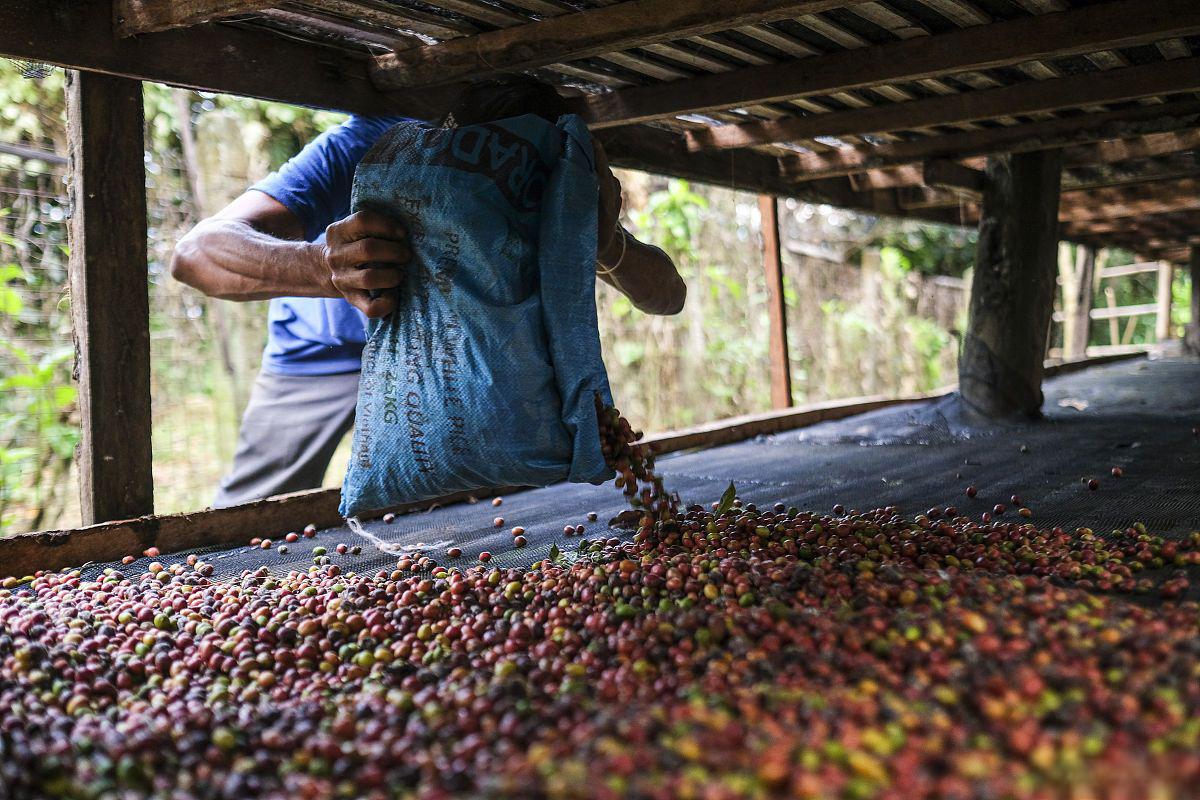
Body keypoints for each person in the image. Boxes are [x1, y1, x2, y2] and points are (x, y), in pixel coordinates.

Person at [171, 76, 687, 508]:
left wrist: (603, 243)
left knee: (493, 502)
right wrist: (325, 266)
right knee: (249, 515)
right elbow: (196, 255)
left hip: (472, 366)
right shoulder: (367, 146)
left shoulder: (548, 171)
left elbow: (668, 295)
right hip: (323, 360)